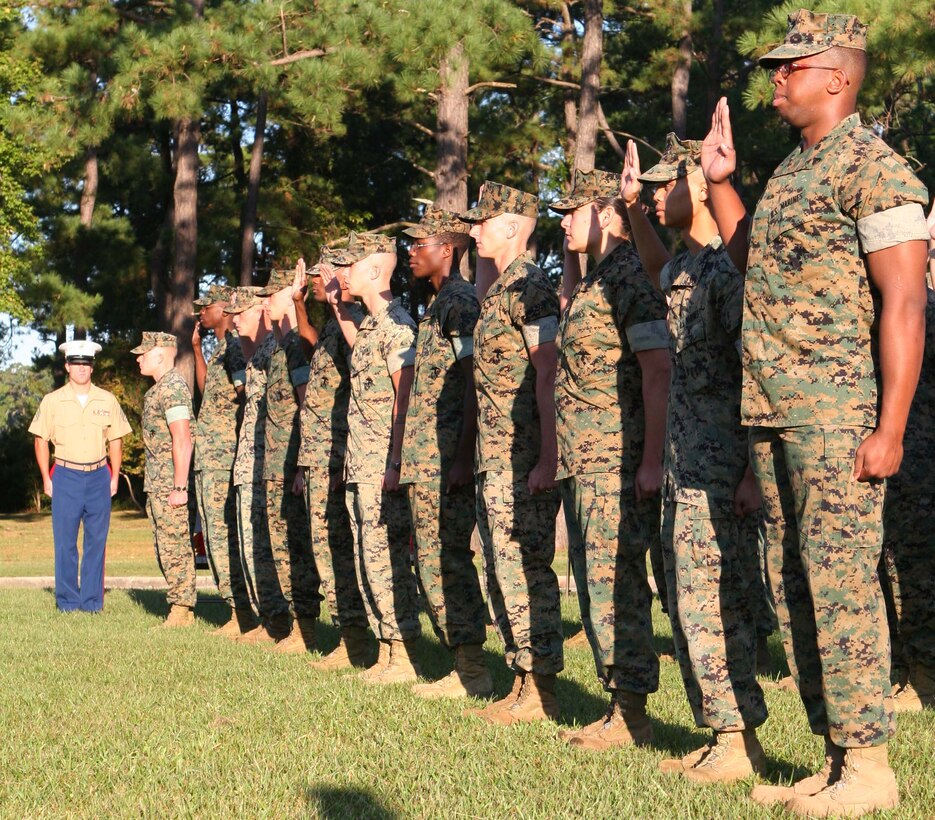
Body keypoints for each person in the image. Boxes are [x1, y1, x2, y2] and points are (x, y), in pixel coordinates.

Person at [699, 10, 930, 815]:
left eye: (789, 67)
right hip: (772, 411)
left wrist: (889, 426)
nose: (775, 79)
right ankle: (835, 757)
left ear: (835, 76)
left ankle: (869, 767)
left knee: (839, 586)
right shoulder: (792, 171)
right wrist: (722, 184)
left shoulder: (877, 168)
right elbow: (745, 259)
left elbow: (903, 304)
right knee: (791, 580)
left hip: (835, 416)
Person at [621, 136, 768, 780]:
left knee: (719, 601)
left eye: (668, 183)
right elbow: (658, 271)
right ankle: (723, 734)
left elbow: (758, 367)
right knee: (689, 601)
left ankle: (737, 741)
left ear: (701, 189)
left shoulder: (725, 275)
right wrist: (630, 211)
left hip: (722, 467)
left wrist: (751, 470)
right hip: (689, 467)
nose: (659, 194)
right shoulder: (684, 271)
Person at [547, 169, 670, 749]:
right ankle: (619, 704)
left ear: (608, 214)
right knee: (597, 587)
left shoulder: (629, 279)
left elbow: (657, 371)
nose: (564, 221)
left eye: (573, 210)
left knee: (616, 586)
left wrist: (650, 460)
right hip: (585, 458)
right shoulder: (597, 279)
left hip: (615, 461)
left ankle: (631, 713)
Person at [459, 182, 564, 725]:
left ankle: (541, 684)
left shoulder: (532, 289)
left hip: (521, 456)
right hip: (494, 454)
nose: (473, 230)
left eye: (483, 221)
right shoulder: (501, 290)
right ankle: (522, 677)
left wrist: (548, 457)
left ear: (511, 227)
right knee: (503, 568)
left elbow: (546, 373)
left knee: (527, 567)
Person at [398, 208, 493, 700]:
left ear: (449, 251)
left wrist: (460, 456)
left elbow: (476, 381)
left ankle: (473, 670)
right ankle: (462, 664)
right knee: (433, 561)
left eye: (421, 244)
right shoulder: (436, 306)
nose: (412, 253)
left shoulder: (460, 303)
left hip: (445, 458)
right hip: (425, 458)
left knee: (448, 560)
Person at [329, 230, 423, 683]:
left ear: (372, 270)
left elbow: (404, 401)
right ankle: (386, 650)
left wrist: (395, 463)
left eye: (349, 265)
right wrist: (336, 307)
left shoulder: (400, 325)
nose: (342, 274)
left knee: (386, 559)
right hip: (360, 465)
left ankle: (402, 653)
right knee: (369, 557)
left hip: (380, 466)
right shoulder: (371, 326)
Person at [292, 250, 373, 670]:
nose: (318, 278)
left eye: (328, 271)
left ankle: (358, 639)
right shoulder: (329, 327)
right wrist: (298, 302)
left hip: (341, 452)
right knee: (326, 546)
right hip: (321, 454)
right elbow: (306, 341)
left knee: (342, 547)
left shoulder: (355, 320)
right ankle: (347, 635)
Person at [29, 340, 132, 613]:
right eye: (76, 363)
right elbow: (40, 441)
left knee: (96, 542)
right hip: (65, 475)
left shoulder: (107, 400)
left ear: (92, 367)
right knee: (65, 543)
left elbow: (116, 440)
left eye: (86, 364)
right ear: (67, 366)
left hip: (99, 475)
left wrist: (115, 477)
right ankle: (67, 602)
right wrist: (46, 479)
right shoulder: (52, 401)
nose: (82, 368)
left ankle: (92, 603)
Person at [256, 266, 323, 654]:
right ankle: (295, 627)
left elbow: (304, 403)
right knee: (282, 547)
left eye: (272, 295)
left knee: (296, 548)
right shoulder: (280, 347)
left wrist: (300, 464)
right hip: (276, 464)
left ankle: (307, 629)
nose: (266, 302)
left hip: (291, 465)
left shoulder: (296, 345)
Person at [225, 287, 291, 643]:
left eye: (243, 312)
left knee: (266, 547)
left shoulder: (275, 350)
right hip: (249, 462)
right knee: (253, 546)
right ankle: (269, 618)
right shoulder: (257, 354)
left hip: (266, 461)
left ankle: (279, 621)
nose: (235, 320)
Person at [881, 284, 935, 712]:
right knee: (890, 565)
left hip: (919, 456)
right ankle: (901, 667)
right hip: (901, 454)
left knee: (915, 568)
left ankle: (925, 677)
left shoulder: (920, 306)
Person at [191, 284, 255, 636]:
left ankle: (242, 611)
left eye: (206, 306)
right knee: (215, 535)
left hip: (223, 456)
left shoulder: (234, 347)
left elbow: (244, 397)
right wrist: (197, 350)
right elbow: (208, 393)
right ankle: (235, 610)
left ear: (225, 308)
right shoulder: (219, 349)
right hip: (210, 458)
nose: (201, 312)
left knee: (225, 534)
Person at [133, 332, 196, 627]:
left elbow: (182, 439)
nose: (138, 358)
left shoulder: (172, 388)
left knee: (175, 545)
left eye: (143, 353)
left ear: (159, 354)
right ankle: (179, 606)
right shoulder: (158, 390)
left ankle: (181, 610)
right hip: (158, 483)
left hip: (170, 484)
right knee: (164, 546)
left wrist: (179, 487)